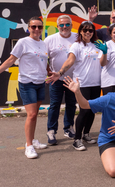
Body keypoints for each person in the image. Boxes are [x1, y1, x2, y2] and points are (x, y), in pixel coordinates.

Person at [0, 17, 48, 159]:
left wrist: (50, 72)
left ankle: (33, 140)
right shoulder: (23, 42)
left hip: (40, 82)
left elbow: (43, 62)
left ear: (42, 28)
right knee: (32, 115)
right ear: (28, 28)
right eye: (33, 27)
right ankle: (28, 146)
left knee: (35, 114)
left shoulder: (43, 44)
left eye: (39, 27)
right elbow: (11, 59)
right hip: (27, 83)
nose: (36, 29)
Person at [47, 21, 102, 151]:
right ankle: (77, 139)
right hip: (82, 83)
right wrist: (60, 72)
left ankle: (86, 134)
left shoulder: (97, 45)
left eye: (90, 30)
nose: (88, 32)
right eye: (85, 30)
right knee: (84, 110)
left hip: (96, 82)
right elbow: (70, 60)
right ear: (80, 32)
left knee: (92, 110)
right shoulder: (76, 46)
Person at [44, 15, 77, 145]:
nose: (65, 27)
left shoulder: (77, 37)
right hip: (56, 79)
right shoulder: (50, 40)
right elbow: (43, 57)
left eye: (67, 24)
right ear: (57, 26)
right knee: (54, 105)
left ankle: (68, 128)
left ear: (71, 25)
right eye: (62, 25)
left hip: (72, 78)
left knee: (71, 104)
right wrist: (48, 72)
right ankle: (51, 131)